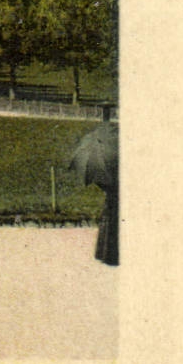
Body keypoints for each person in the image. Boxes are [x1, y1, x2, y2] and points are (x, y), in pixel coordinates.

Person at [69, 106, 120, 265]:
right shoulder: (116, 157)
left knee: (108, 226)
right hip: (118, 198)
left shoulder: (100, 161)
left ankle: (105, 255)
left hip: (111, 199)